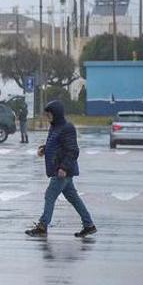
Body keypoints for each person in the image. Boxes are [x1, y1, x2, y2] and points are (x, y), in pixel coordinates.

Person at [25, 100, 97, 238]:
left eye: (49, 114)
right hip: (59, 169)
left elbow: (73, 150)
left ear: (56, 114)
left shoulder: (67, 128)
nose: (47, 117)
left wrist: (63, 167)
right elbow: (56, 145)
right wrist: (45, 149)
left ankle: (42, 226)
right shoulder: (55, 127)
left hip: (63, 170)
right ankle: (89, 225)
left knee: (50, 195)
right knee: (74, 198)